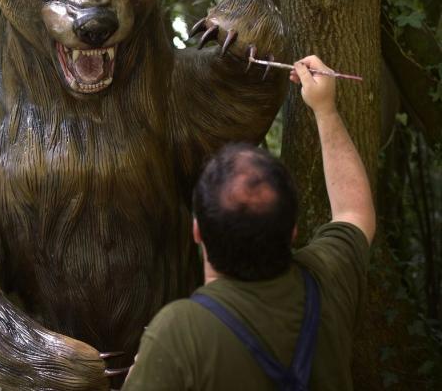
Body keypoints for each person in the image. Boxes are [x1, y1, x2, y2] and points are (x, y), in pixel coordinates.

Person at [121, 55, 375, 391]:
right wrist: (324, 110)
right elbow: (354, 212)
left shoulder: (179, 333)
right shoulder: (327, 279)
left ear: (198, 232)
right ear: (293, 230)